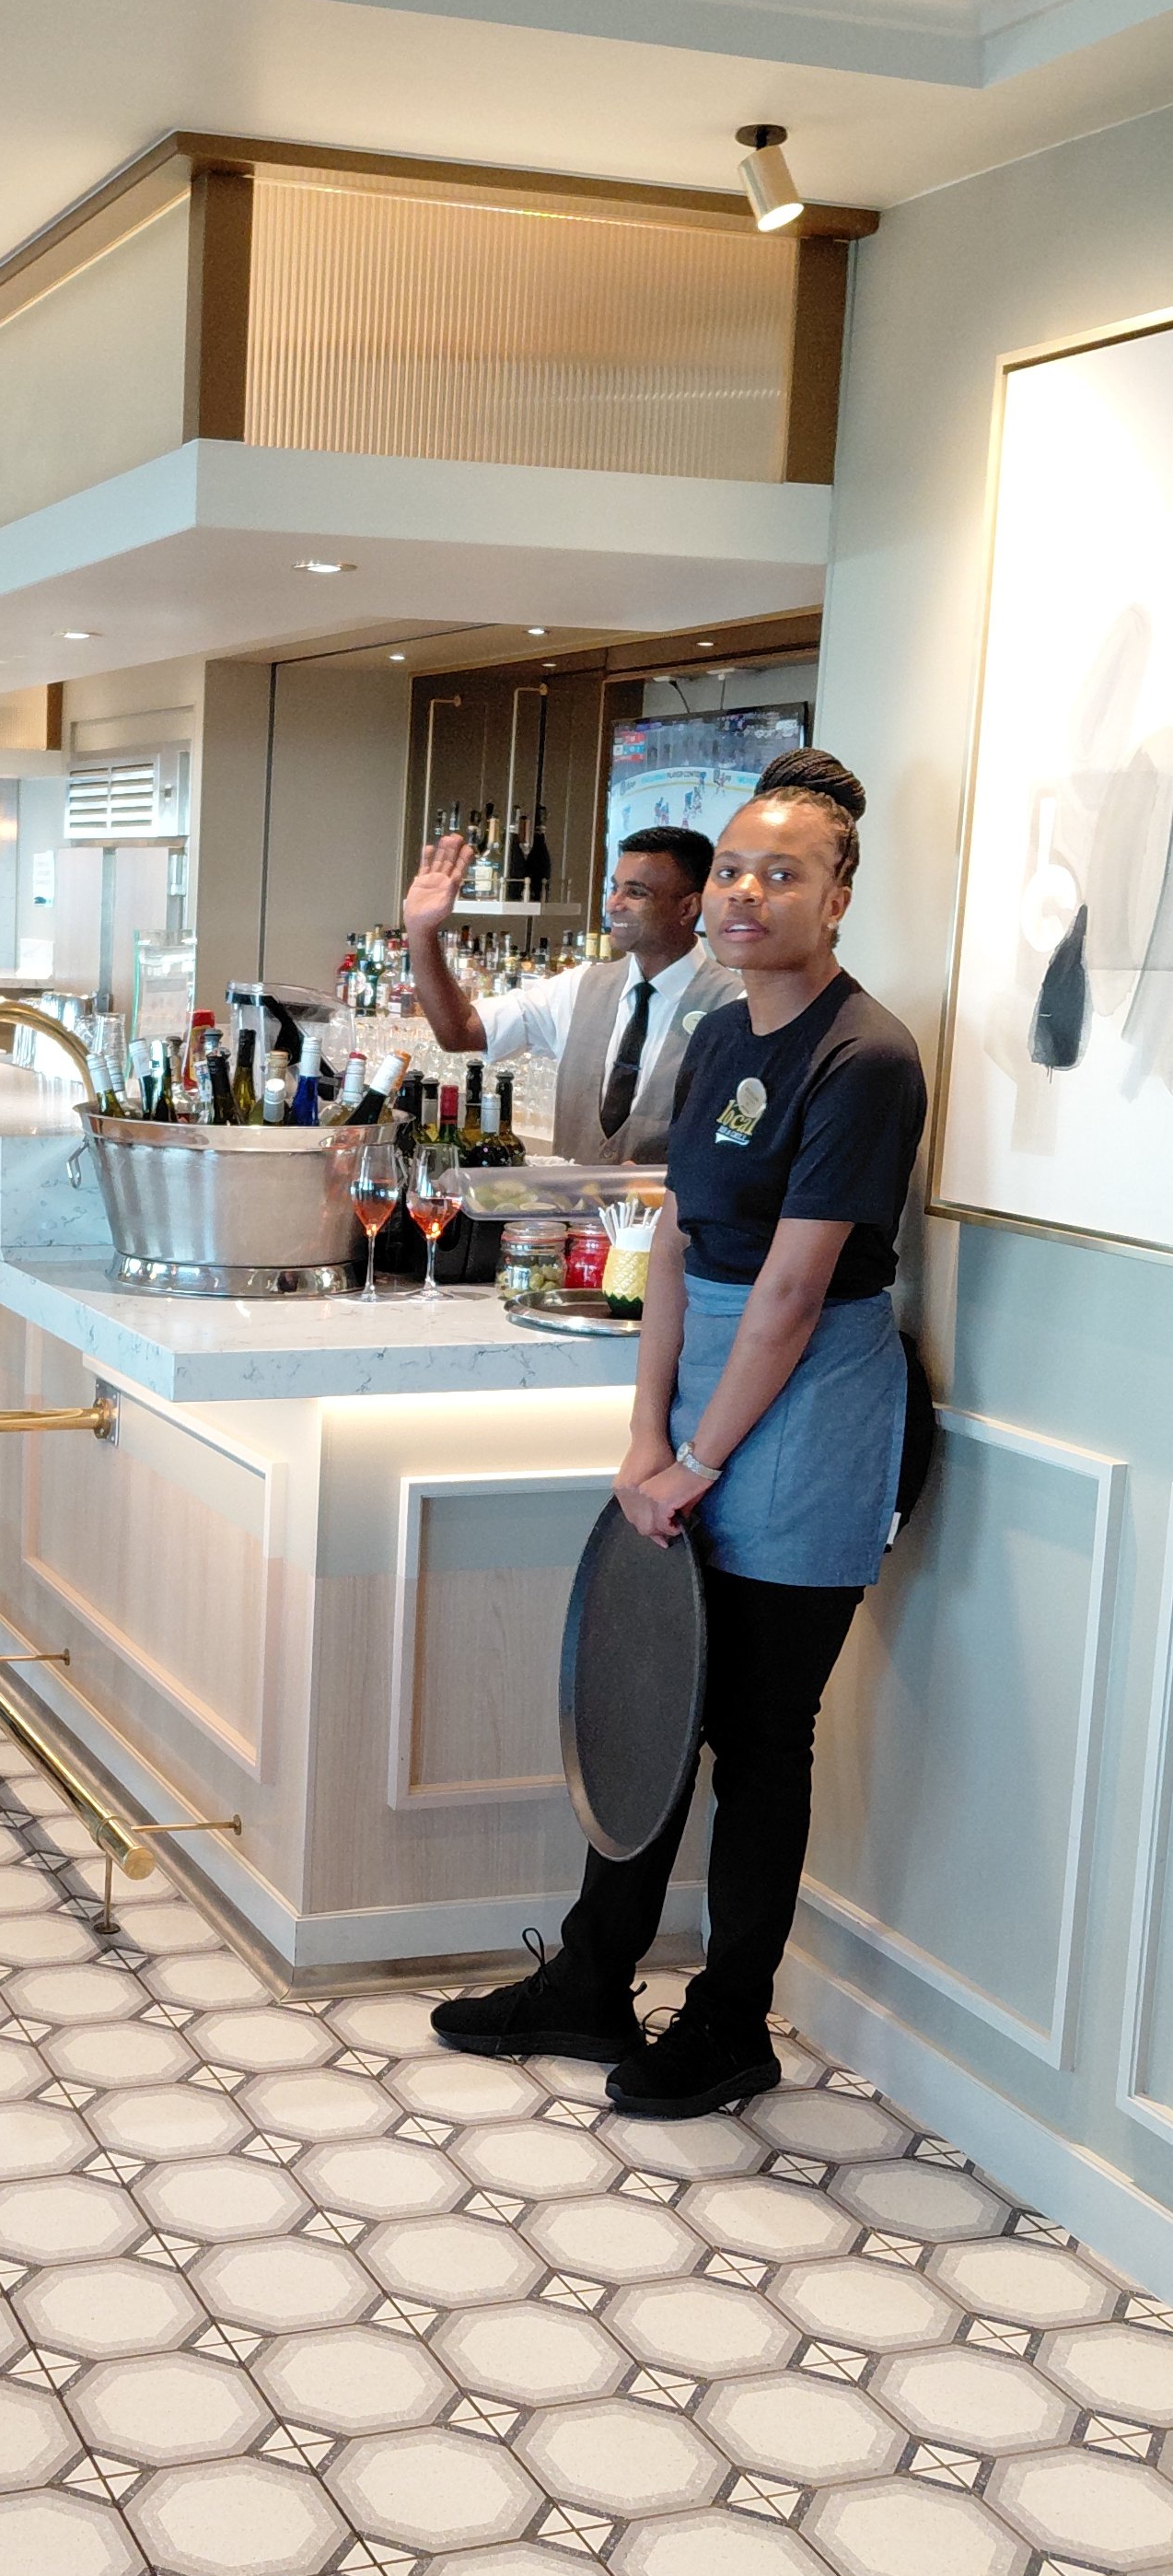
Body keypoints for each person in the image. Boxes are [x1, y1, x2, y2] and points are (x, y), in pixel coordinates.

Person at [430, 752, 927, 2119]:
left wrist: (701, 1460)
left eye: (786, 874)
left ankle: (729, 2022)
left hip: (806, 1410)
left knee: (762, 1738)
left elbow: (790, 1287)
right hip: (700, 1390)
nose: (749, 894)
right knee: (647, 1705)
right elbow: (679, 1237)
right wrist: (644, 1439)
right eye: (734, 870)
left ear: (838, 896)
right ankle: (593, 1984)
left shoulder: (864, 1056)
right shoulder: (719, 1033)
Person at [402, 822, 741, 1157]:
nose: (614, 905)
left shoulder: (736, 1005)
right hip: (567, 1211)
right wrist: (421, 932)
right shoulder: (580, 987)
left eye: (636, 892)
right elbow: (459, 1032)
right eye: (615, 888)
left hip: (673, 1214)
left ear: (687, 908)